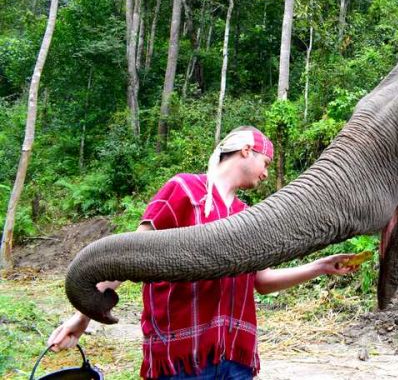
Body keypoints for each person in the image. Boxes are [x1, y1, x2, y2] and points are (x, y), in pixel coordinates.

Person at [48, 126, 360, 379]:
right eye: (265, 163)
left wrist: (320, 267)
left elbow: (261, 281)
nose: (266, 174)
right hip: (183, 357)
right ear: (246, 151)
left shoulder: (246, 214)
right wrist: (83, 316)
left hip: (235, 356)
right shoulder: (183, 189)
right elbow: (129, 257)